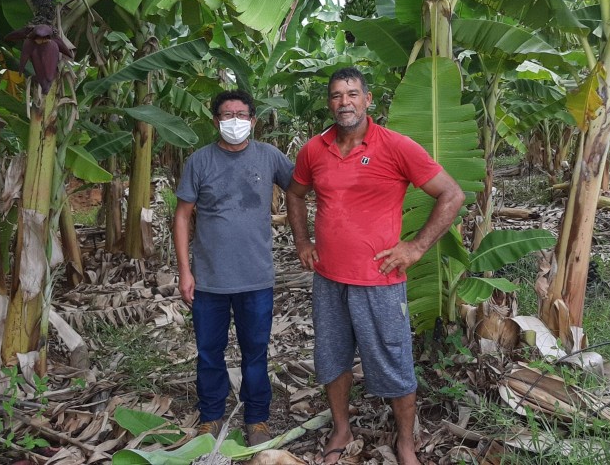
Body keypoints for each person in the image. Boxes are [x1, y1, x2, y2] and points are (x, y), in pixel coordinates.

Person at [286, 67, 464, 465]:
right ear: (329, 103)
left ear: (368, 100)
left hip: (379, 279)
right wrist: (302, 241)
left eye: (352, 94)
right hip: (329, 278)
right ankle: (341, 429)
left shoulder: (396, 146)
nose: (343, 102)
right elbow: (295, 194)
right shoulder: (315, 149)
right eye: (336, 95)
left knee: (394, 360)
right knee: (331, 357)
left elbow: (451, 194)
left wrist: (417, 247)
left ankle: (405, 443)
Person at [173, 89, 294, 446]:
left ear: (253, 121)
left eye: (242, 115)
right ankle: (210, 416)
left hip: (255, 278)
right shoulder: (200, 161)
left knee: (255, 351)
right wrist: (185, 271)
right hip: (209, 279)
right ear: (216, 121)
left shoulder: (269, 156)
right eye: (227, 115)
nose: (235, 122)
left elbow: (301, 187)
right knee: (209, 352)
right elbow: (182, 217)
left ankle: (257, 418)